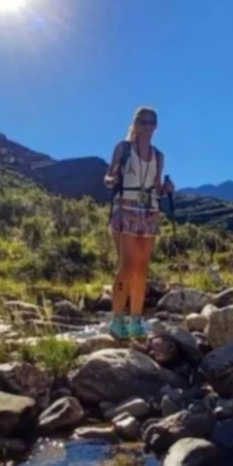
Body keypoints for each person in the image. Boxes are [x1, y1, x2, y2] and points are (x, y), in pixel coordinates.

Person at [104, 106, 173, 340]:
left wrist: (165, 188)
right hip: (125, 207)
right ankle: (116, 320)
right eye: (143, 122)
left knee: (142, 267)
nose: (148, 126)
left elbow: (156, 187)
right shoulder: (123, 149)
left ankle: (135, 320)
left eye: (152, 122)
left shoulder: (159, 155)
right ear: (135, 124)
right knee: (128, 264)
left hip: (150, 210)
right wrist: (112, 179)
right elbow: (108, 175)